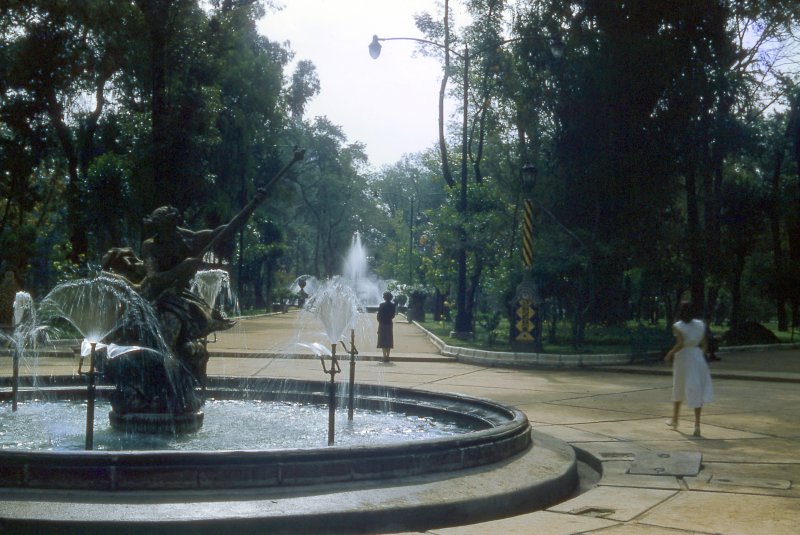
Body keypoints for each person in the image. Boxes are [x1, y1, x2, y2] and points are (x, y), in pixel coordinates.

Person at [664, 301, 714, 437]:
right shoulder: (700, 325)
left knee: (679, 386)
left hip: (683, 357)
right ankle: (697, 424)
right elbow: (704, 344)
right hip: (697, 357)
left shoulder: (677, 326)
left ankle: (675, 419)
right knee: (697, 389)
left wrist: (670, 354)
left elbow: (680, 344)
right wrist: (698, 355)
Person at [376, 291, 396, 362]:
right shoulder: (393, 305)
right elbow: (393, 315)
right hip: (389, 323)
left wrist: (380, 320)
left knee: (383, 340)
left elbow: (378, 315)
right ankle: (387, 356)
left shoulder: (382, 305)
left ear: (385, 297)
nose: (383, 297)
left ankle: (384, 356)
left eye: (384, 296)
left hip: (382, 324)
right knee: (389, 340)